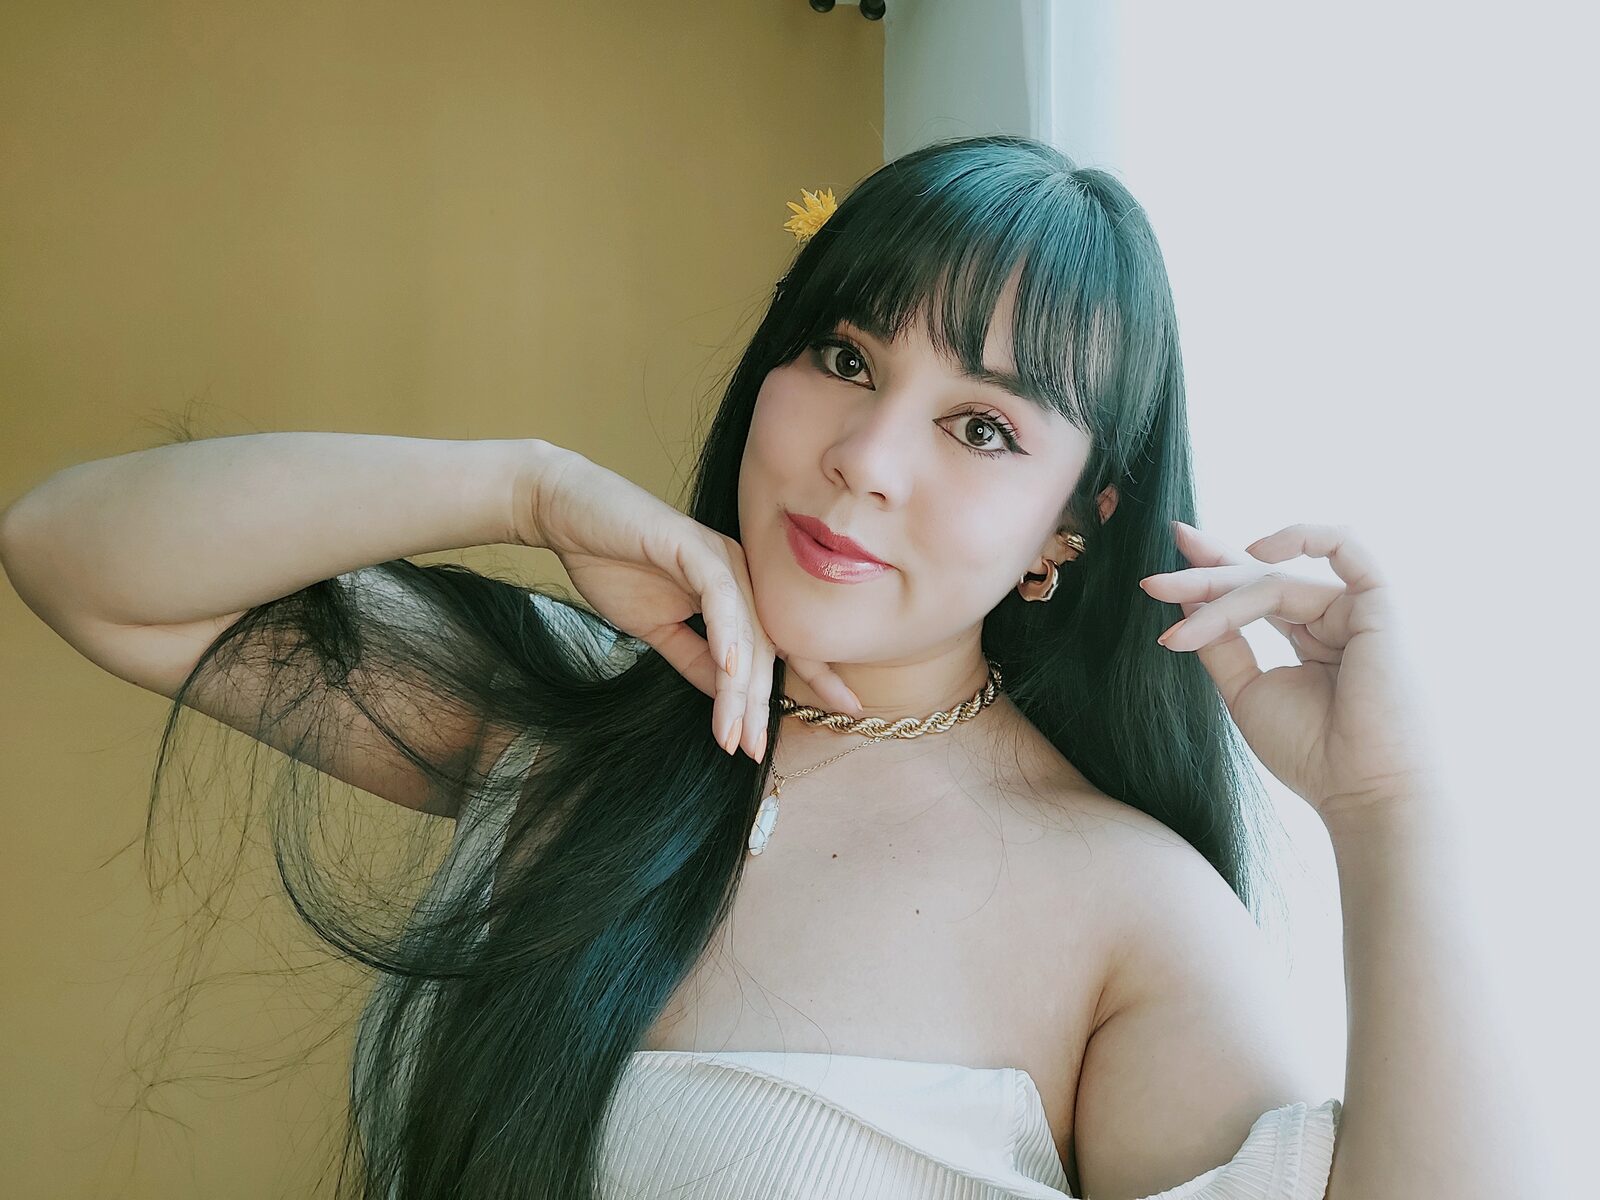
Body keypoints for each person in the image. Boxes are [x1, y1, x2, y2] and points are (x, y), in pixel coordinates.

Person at [0, 134, 1505, 1199]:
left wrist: (1393, 813)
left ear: (1073, 526)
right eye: (846, 357)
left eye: (982, 428)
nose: (865, 458)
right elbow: (75, 555)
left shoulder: (1128, 913)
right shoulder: (576, 717)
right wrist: (524, 488)